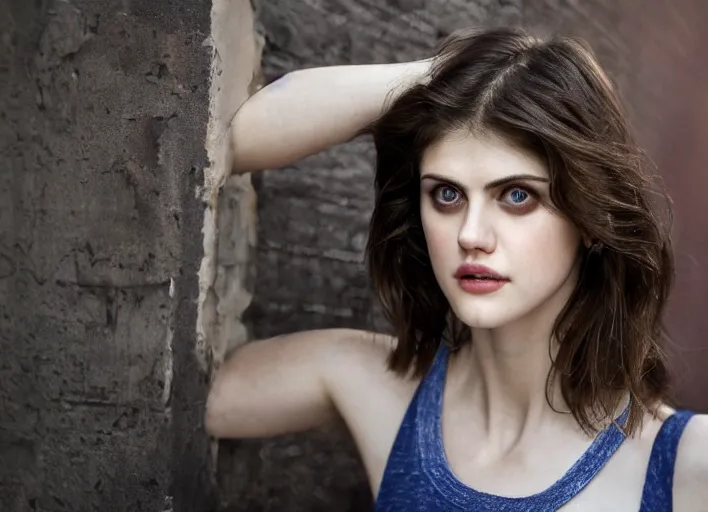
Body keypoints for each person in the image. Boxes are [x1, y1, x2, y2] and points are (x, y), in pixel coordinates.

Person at [206, 27, 708, 511]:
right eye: (447, 194)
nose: (470, 233)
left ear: (591, 218)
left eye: (516, 195)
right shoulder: (373, 388)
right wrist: (454, 75)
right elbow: (226, 140)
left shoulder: (683, 464)